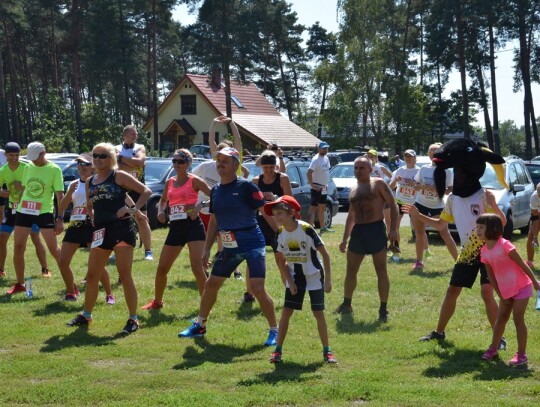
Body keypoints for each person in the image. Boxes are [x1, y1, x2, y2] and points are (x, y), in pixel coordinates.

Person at [402, 138, 507, 344]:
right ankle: (439, 332)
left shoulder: (484, 196)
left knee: (487, 293)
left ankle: (499, 338)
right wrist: (417, 215)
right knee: (452, 290)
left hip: (489, 251)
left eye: (460, 174)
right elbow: (441, 225)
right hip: (468, 252)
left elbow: (501, 224)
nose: (457, 178)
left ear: (469, 175)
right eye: (455, 174)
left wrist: (495, 206)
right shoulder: (452, 200)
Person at [178, 147, 278, 346]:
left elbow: (265, 212)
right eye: (218, 160)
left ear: (236, 165)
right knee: (211, 285)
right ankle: (200, 325)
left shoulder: (247, 187)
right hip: (230, 247)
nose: (220, 163)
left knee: (257, 288)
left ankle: (274, 330)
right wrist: (207, 249)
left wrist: (280, 234)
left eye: (225, 160)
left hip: (252, 243)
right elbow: (214, 220)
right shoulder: (215, 190)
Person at [67, 143, 151, 334]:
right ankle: (86, 315)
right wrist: (94, 218)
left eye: (103, 156)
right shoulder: (90, 181)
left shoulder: (118, 175)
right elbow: (89, 204)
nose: (98, 159)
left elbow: (146, 191)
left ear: (111, 158)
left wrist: (132, 209)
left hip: (121, 229)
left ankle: (133, 319)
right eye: (95, 155)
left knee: (124, 274)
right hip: (101, 231)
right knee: (92, 275)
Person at [264, 195, 336, 364]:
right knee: (286, 313)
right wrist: (290, 280)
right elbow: (282, 261)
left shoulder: (306, 229)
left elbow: (325, 255)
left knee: (318, 313)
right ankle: (278, 351)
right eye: (275, 214)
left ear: (291, 213)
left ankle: (327, 352)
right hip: (295, 278)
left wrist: (328, 281)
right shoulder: (280, 233)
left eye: (280, 213)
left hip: (314, 277)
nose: (277, 217)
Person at [141, 149, 211, 310]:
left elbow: (216, 195)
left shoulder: (195, 181)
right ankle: (157, 302)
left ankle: (206, 303)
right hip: (176, 228)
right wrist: (160, 211)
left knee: (197, 267)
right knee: (162, 268)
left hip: (193, 226)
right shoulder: (170, 182)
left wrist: (201, 205)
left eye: (180, 161)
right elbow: (164, 200)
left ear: (188, 163)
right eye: (174, 161)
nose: (176, 164)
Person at [336, 156, 398, 322]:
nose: (358, 171)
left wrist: (394, 229)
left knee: (381, 270)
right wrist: (344, 239)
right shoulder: (353, 189)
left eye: (362, 168)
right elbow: (351, 215)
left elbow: (393, 204)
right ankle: (347, 304)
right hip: (358, 232)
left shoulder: (378, 184)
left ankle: (383, 309)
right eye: (356, 168)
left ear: (370, 169)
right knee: (351, 270)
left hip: (375, 230)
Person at [477, 214, 540, 366]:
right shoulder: (484, 251)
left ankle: (521, 355)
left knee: (518, 319)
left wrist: (535, 283)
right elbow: (490, 276)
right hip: (506, 290)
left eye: (481, 227)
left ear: (492, 229)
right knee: (501, 319)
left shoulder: (505, 245)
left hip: (521, 286)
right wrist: (500, 294)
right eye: (477, 227)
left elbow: (523, 264)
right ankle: (493, 348)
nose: (477, 230)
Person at [8, 142, 64, 295]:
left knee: (54, 249)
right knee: (18, 247)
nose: (33, 161)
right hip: (24, 210)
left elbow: (60, 196)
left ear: (43, 153)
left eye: (36, 158)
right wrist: (17, 203)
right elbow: (25, 190)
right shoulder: (28, 167)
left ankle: (70, 283)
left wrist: (60, 218)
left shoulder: (54, 169)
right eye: (31, 158)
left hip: (44, 212)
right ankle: (20, 284)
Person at [57, 153, 114, 303]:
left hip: (92, 225)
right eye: (79, 164)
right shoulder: (73, 184)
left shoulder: (97, 182)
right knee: (62, 261)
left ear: (93, 167)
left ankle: (109, 294)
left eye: (85, 164)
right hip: (75, 225)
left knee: (97, 264)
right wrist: (69, 193)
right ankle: (71, 291)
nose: (81, 167)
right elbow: (61, 207)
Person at [242, 149, 292, 302]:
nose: (269, 171)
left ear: (275, 166)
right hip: (260, 222)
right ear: (261, 167)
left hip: (278, 224)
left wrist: (276, 198)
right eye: (266, 168)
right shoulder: (256, 181)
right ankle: (249, 294)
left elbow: (291, 201)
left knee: (280, 259)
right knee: (253, 258)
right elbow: (248, 201)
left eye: (271, 167)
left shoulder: (282, 178)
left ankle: (290, 292)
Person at [0, 142, 49, 279]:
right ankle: (1, 269)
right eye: (11, 155)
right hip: (12, 208)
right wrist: (2, 192)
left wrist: (22, 188)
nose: (15, 158)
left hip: (28, 207)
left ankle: (45, 268)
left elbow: (35, 188)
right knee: (2, 237)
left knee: (34, 236)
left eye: (17, 155)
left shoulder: (27, 167)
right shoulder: (3, 171)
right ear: (5, 155)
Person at [411, 143, 458, 270]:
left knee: (445, 234)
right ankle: (419, 261)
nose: (432, 153)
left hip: (438, 206)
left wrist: (438, 189)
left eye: (435, 151)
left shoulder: (446, 171)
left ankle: (458, 262)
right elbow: (415, 186)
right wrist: (422, 187)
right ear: (428, 154)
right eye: (430, 151)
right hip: (420, 204)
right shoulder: (424, 169)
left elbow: (450, 190)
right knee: (419, 233)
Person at [116, 125, 153, 260]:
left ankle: (148, 251)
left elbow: (140, 162)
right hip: (122, 189)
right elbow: (116, 167)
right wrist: (130, 162)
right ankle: (119, 248)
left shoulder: (140, 147)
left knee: (142, 219)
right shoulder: (116, 148)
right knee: (119, 220)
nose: (135, 136)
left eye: (136, 134)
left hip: (138, 189)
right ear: (125, 135)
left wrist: (121, 159)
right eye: (132, 134)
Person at [388, 149, 419, 256]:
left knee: (418, 228)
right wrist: (396, 180)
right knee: (395, 226)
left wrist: (413, 183)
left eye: (410, 156)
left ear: (415, 158)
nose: (408, 158)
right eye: (406, 156)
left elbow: (423, 188)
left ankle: (425, 250)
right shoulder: (400, 170)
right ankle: (396, 249)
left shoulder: (419, 170)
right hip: (400, 200)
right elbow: (390, 187)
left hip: (413, 202)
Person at [307, 142, 333, 234]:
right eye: (323, 148)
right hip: (316, 187)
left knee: (322, 207)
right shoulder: (315, 159)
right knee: (313, 208)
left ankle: (323, 227)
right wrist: (313, 185)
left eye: (326, 148)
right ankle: (310, 229)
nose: (325, 150)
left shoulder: (326, 158)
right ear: (319, 149)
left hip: (324, 187)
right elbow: (309, 172)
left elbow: (326, 171)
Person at [525, 183, 540, 268]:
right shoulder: (534, 197)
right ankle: (530, 262)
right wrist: (535, 237)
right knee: (531, 237)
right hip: (537, 216)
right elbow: (535, 217)